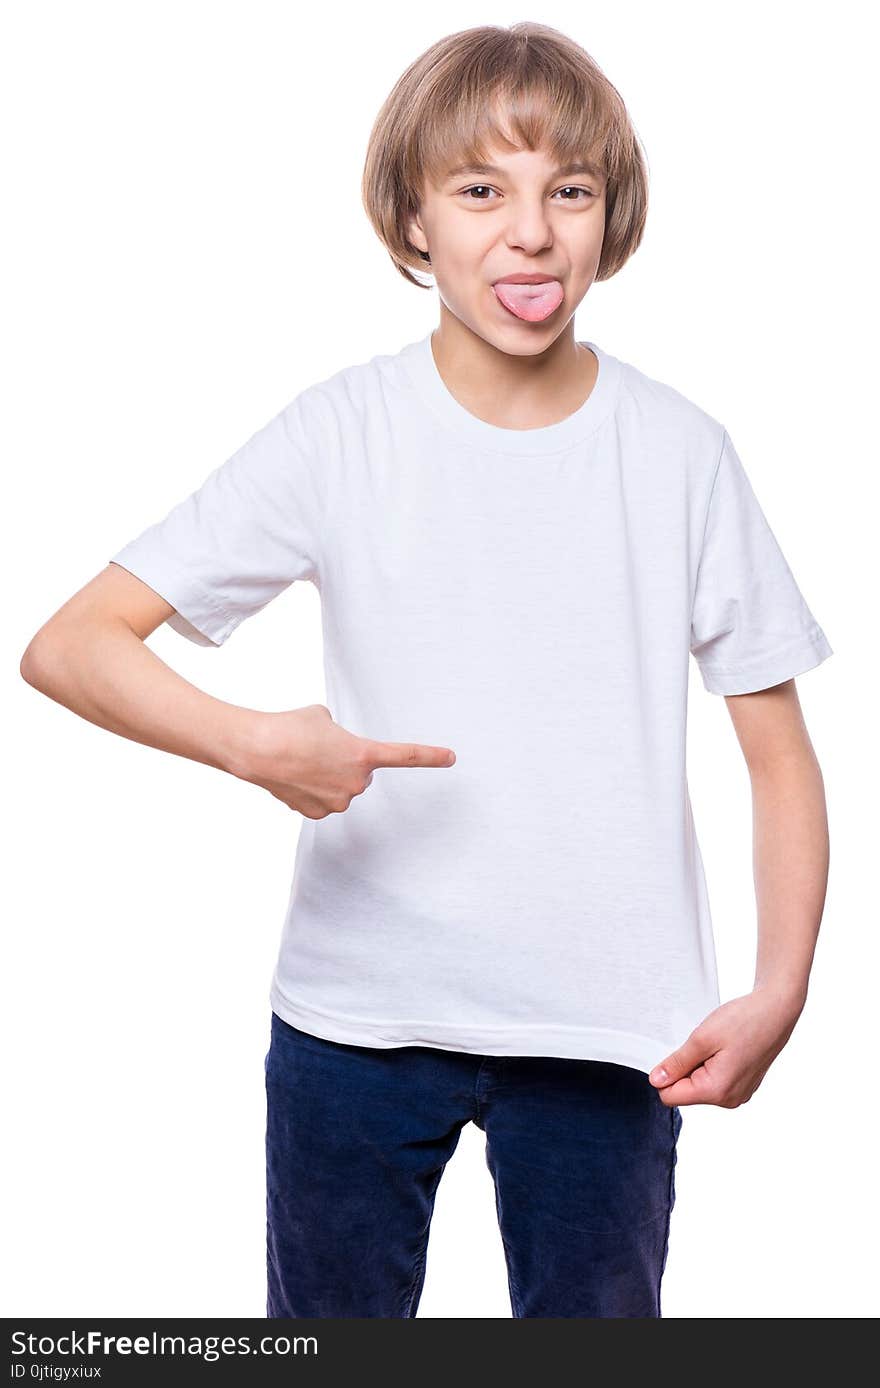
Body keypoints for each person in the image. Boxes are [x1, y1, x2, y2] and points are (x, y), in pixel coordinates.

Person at [20, 22, 833, 1318]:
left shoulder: (681, 452)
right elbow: (71, 644)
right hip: (355, 1024)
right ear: (413, 218)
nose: (530, 231)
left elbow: (778, 750)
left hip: (611, 1036)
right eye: (480, 190)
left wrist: (781, 991)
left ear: (610, 216)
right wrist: (250, 741)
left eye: (569, 191)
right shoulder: (341, 430)